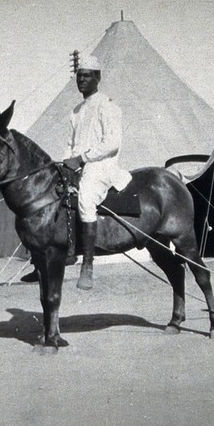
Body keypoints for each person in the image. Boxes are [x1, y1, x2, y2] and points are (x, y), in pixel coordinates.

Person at [61, 55, 132, 290]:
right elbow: (70, 144)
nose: (81, 79)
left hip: (102, 166)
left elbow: (112, 142)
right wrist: (67, 163)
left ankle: (88, 265)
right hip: (79, 165)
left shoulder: (107, 105)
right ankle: (54, 256)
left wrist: (82, 159)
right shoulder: (75, 112)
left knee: (86, 197)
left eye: (87, 75)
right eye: (79, 75)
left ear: (98, 78)